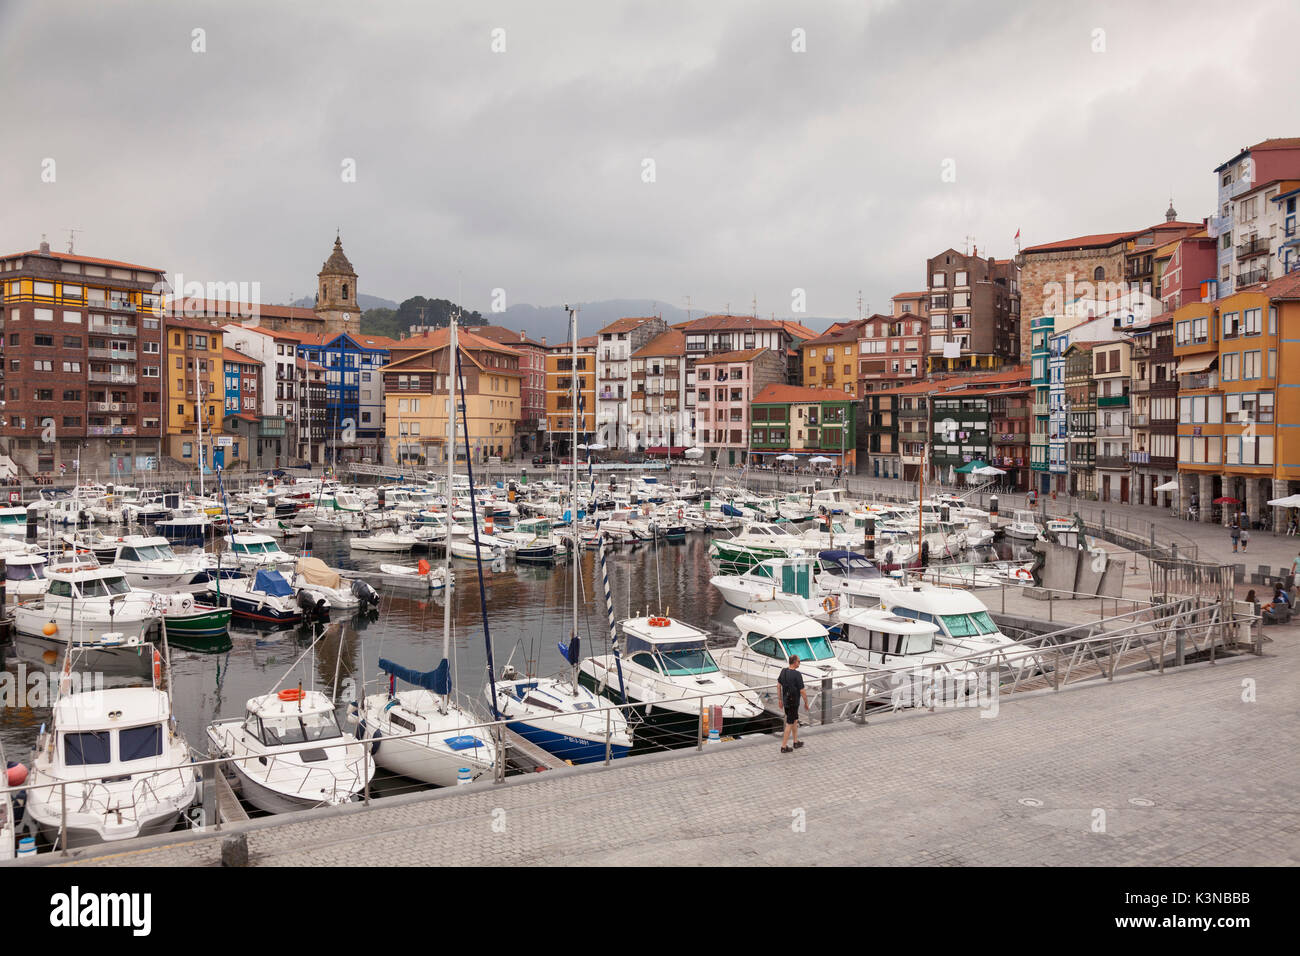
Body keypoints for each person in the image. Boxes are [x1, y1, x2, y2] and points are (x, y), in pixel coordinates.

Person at [777, 655, 808, 754]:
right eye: (799, 661)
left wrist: (780, 700)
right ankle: (783, 746)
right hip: (793, 702)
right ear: (794, 662)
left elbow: (778, 685)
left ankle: (795, 742)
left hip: (786, 701)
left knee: (794, 720)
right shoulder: (797, 674)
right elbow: (802, 691)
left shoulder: (783, 671)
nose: (799, 663)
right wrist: (806, 703)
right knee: (789, 724)